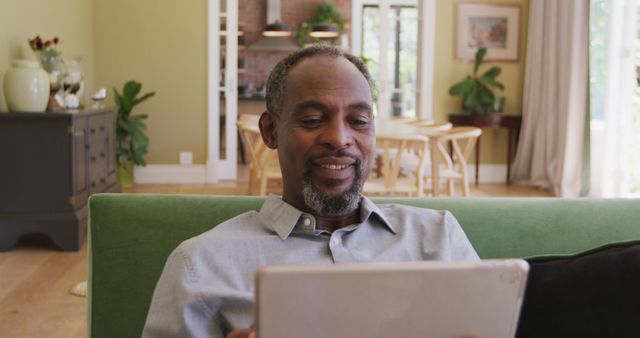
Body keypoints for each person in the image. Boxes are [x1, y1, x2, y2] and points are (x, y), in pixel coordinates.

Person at [142, 45, 479, 338]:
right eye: (314, 119)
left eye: (359, 121)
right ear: (270, 131)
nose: (339, 138)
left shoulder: (438, 238)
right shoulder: (200, 264)